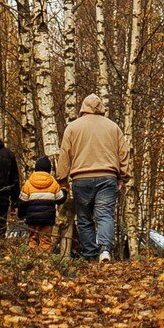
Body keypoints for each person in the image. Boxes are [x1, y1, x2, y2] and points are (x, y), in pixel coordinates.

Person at [57, 93, 129, 261]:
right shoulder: (113, 127)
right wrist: (122, 177)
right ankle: (105, 250)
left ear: (83, 107)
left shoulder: (73, 127)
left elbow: (64, 154)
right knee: (105, 215)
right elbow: (124, 153)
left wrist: (62, 179)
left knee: (84, 218)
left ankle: (89, 254)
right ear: (101, 108)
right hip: (107, 176)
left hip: (81, 178)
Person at [18, 155, 65, 251]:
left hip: (32, 219)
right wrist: (65, 191)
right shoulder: (53, 183)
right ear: (49, 170)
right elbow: (60, 199)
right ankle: (45, 261)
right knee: (46, 241)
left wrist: (21, 214)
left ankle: (32, 258)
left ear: (36, 169)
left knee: (32, 239)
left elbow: (22, 202)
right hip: (47, 219)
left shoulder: (28, 183)